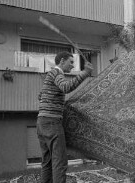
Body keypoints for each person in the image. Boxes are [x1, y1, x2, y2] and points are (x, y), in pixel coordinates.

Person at [37, 51, 93, 183]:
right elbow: (66, 87)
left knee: (47, 163)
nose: (73, 66)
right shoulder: (56, 73)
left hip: (41, 122)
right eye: (71, 62)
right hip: (51, 123)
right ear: (62, 61)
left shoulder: (50, 75)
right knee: (59, 163)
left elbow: (40, 96)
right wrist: (85, 72)